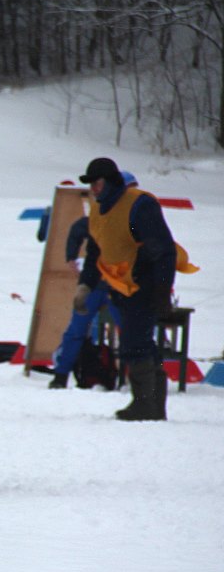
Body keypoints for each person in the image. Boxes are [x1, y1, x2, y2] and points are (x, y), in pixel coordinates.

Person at [75, 157, 192, 421]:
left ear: (111, 181)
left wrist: (162, 290)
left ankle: (145, 405)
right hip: (119, 288)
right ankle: (152, 405)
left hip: (145, 285)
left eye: (97, 183)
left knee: (135, 343)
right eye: (90, 184)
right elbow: (95, 252)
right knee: (140, 343)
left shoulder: (139, 205)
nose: (93, 189)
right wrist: (85, 285)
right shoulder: (98, 210)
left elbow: (163, 250)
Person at [47, 172, 140, 390]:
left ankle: (137, 378)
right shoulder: (101, 213)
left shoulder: (138, 216)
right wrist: (71, 257)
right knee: (77, 330)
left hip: (121, 285)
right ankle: (61, 375)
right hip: (95, 284)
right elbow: (79, 229)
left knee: (129, 331)